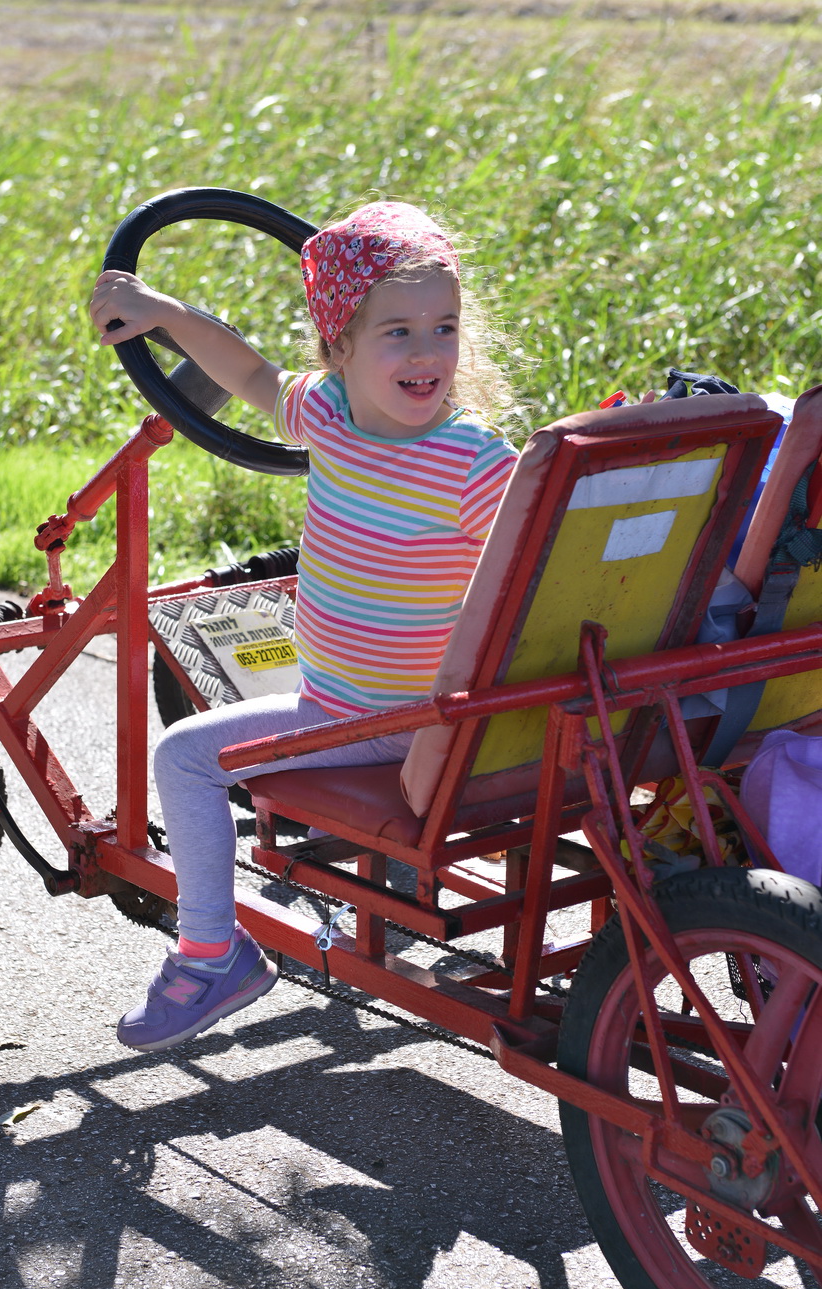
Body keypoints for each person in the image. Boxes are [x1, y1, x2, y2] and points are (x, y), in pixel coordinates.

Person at [89, 200, 520, 1052]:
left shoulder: (473, 460)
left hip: (389, 720)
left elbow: (529, 574)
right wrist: (166, 314)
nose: (427, 352)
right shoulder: (326, 412)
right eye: (398, 332)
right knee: (211, 745)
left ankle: (211, 956)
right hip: (355, 705)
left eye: (444, 327)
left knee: (181, 758)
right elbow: (250, 372)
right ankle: (267, 931)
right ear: (339, 347)